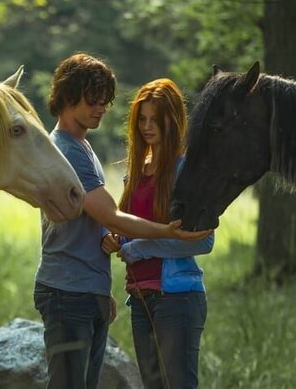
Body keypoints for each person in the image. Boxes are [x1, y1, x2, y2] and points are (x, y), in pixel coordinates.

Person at [34, 55, 210, 389]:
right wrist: (141, 238)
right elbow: (113, 217)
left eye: (105, 101)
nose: (101, 107)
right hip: (84, 293)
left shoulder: (86, 148)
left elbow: (201, 239)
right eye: (93, 100)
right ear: (68, 96)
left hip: (158, 295)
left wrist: (113, 266)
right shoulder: (71, 153)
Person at [101, 78, 215, 389]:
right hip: (138, 298)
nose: (147, 127)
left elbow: (204, 239)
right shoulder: (136, 171)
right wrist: (117, 239)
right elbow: (134, 227)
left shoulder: (186, 171)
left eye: (156, 119)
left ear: (173, 120)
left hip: (176, 299)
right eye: (142, 119)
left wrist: (141, 249)